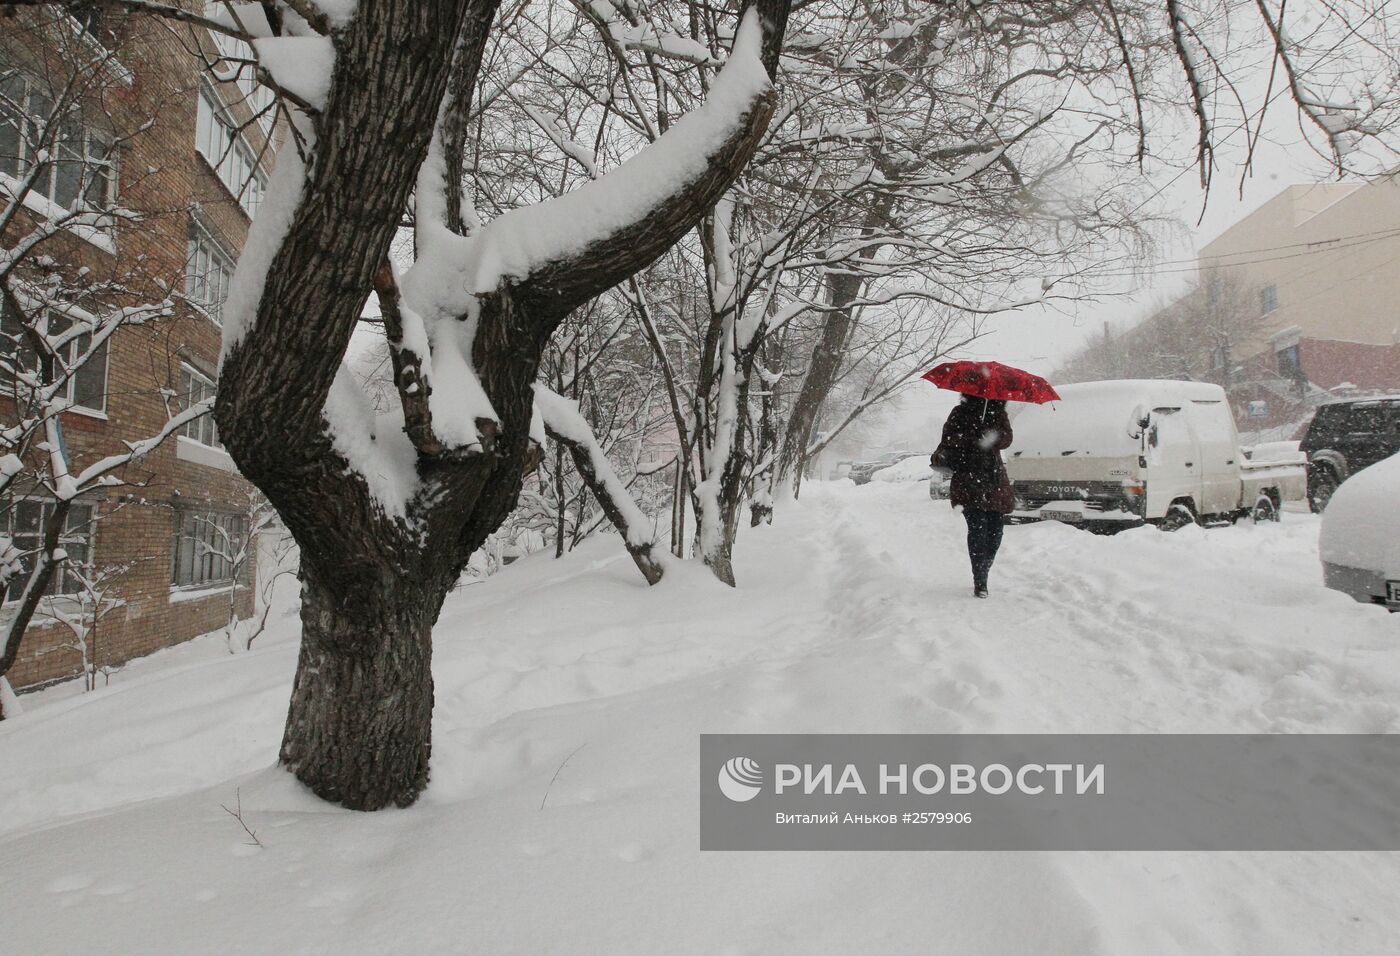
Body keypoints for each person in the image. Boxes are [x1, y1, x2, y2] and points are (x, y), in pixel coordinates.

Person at [933, 395, 1014, 598]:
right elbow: (948, 439)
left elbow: (1007, 439)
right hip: (968, 479)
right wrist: (973, 436)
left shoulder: (999, 414)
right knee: (978, 530)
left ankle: (984, 568)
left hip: (994, 479)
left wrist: (992, 435)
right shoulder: (959, 413)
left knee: (995, 532)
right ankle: (980, 580)